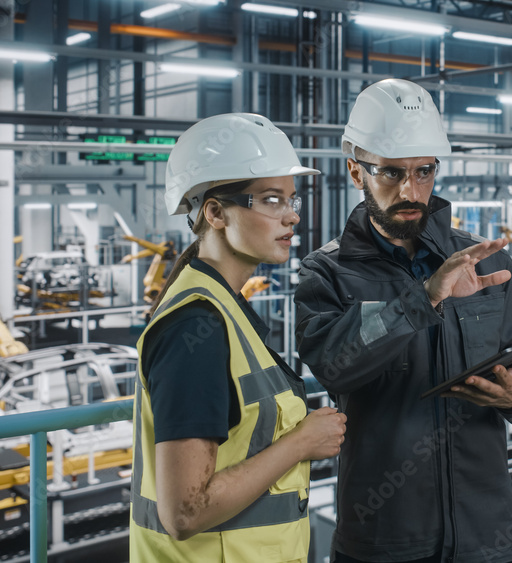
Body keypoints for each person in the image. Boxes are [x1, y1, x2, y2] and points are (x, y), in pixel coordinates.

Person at [295, 79, 512, 563]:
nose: (410, 190)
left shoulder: (481, 260)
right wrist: (422, 299)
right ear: (357, 171)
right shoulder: (326, 272)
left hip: (487, 536)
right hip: (384, 540)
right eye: (391, 173)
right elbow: (334, 364)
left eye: (424, 172)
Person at [130, 113, 347, 562]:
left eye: (292, 200)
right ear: (214, 212)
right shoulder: (196, 326)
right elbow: (185, 512)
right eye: (271, 200)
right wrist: (302, 441)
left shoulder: (221, 308)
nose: (291, 216)